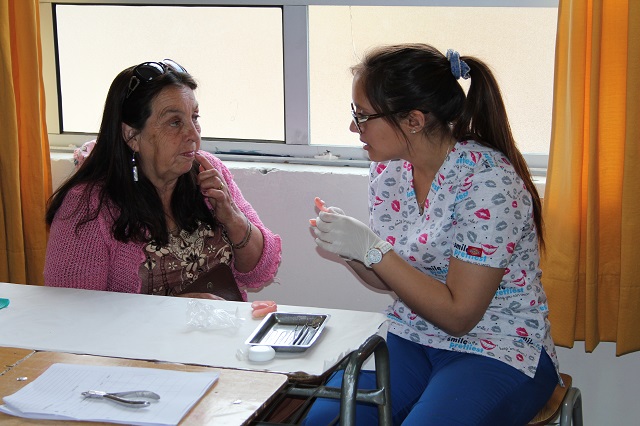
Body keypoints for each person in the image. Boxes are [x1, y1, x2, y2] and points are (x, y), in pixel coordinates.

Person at [306, 44, 560, 425]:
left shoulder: (488, 182)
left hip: (499, 346)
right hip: (415, 334)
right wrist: (350, 247)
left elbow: (460, 316)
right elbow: (390, 277)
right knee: (325, 420)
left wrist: (373, 249)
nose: (354, 128)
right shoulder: (389, 171)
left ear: (413, 120)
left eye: (363, 116)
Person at [44, 59, 281, 301]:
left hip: (223, 324)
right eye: (175, 122)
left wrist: (232, 216)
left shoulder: (208, 169)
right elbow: (72, 312)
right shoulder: (88, 207)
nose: (193, 135)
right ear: (132, 135)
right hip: (145, 329)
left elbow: (261, 269)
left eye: (195, 117)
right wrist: (173, 312)